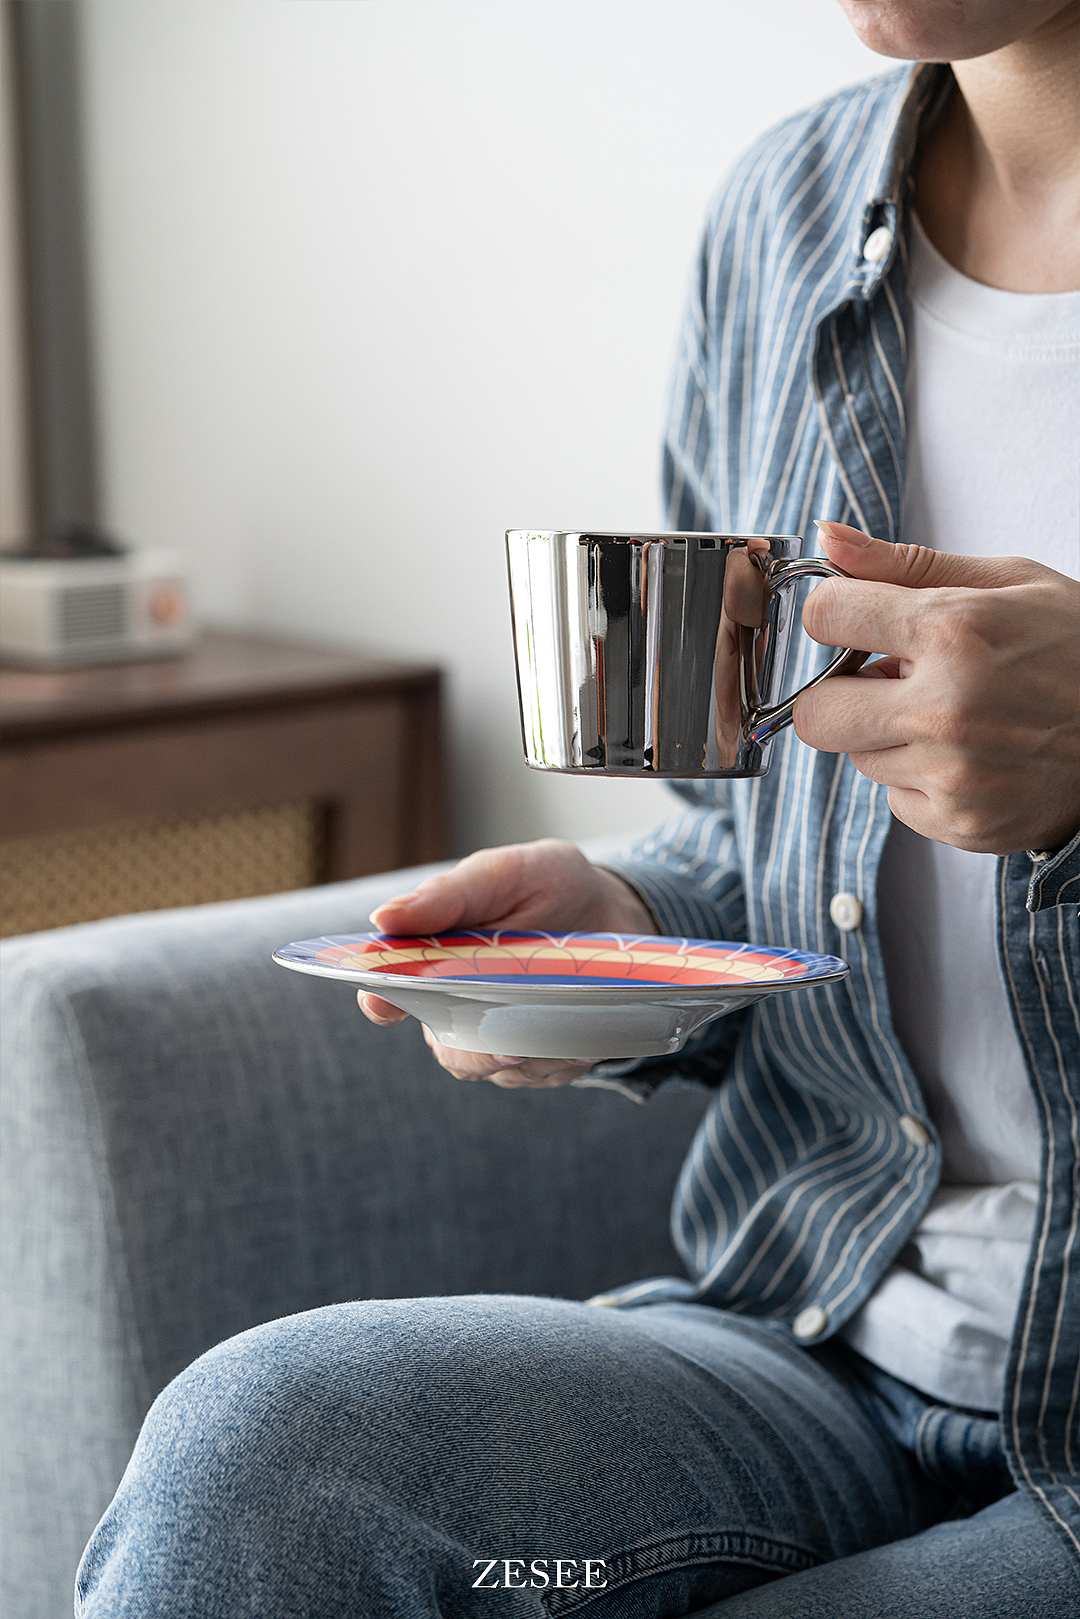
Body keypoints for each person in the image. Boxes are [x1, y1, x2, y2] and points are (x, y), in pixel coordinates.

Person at [77, 1, 1080, 1614]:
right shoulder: (789, 213)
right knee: (263, 1459)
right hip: (814, 1331)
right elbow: (755, 837)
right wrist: (632, 930)